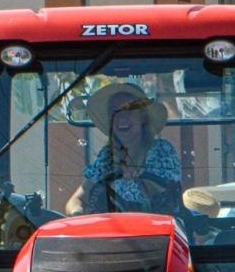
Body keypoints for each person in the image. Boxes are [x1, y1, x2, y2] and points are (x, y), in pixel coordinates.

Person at [66, 82, 182, 215]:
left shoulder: (161, 150)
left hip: (155, 227)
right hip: (110, 227)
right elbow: (76, 200)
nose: (121, 117)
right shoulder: (106, 156)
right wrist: (77, 214)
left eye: (129, 109)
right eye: (114, 111)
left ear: (143, 117)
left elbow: (164, 198)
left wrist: (138, 178)